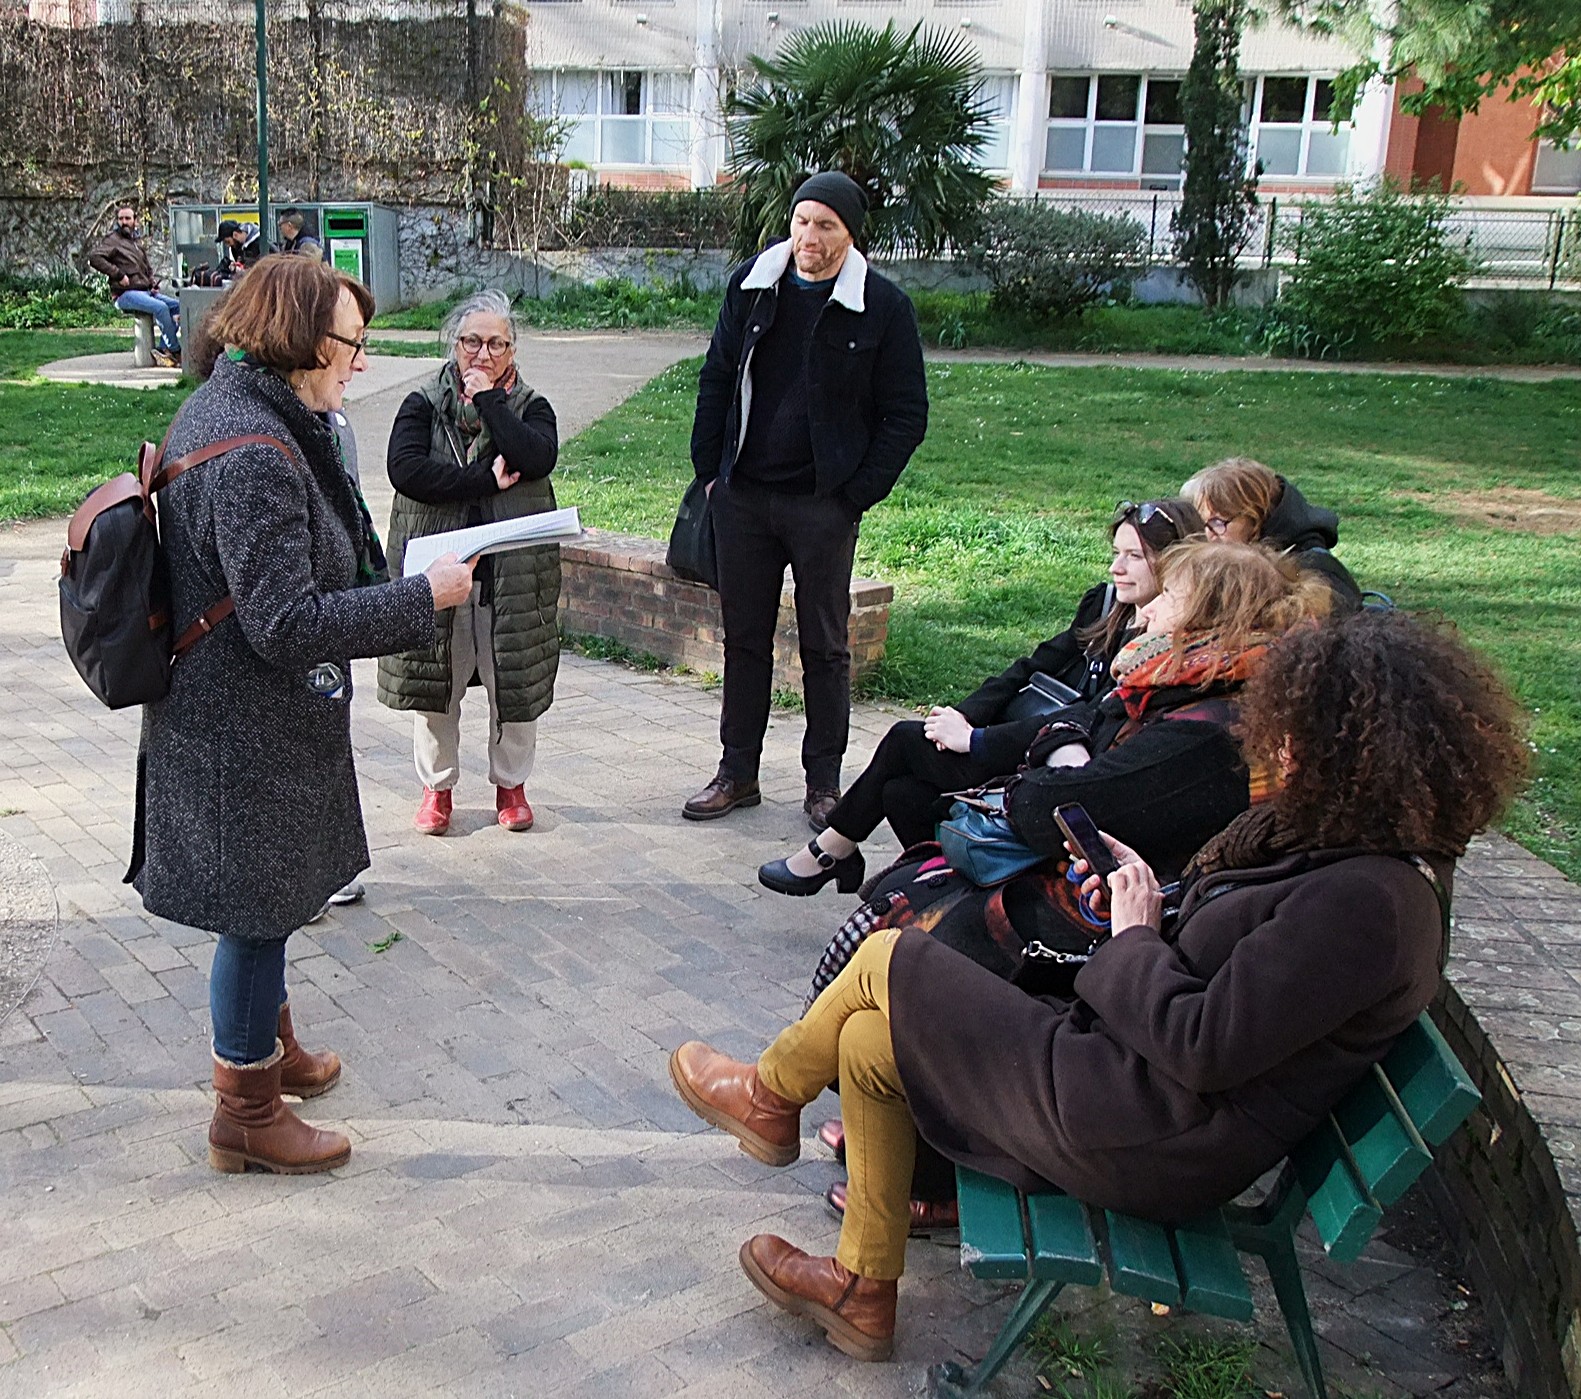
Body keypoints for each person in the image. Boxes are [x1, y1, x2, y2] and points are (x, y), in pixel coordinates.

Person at [669, 607, 1528, 1362]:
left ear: (1361, 757)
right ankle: (860, 1287)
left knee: (896, 959)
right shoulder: (1341, 855)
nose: (1276, 745)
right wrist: (1142, 900)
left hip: (1146, 1133)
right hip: (1129, 1086)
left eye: (1297, 731)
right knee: (866, 1039)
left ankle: (769, 1093)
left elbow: (1201, 1043)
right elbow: (1220, 974)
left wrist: (1131, 937)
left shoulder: (1369, 904)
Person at [128, 254, 476, 1175]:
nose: (359, 364)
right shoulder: (251, 451)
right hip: (240, 725)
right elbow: (283, 623)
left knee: (274, 896)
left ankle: (268, 1050)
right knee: (254, 907)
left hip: (248, 719)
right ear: (299, 339)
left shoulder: (245, 406)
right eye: (352, 346)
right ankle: (243, 1105)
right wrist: (420, 597)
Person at [758, 498, 1203, 894]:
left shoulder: (1162, 646)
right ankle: (932, 882)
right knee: (901, 792)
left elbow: (1088, 717)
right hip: (1024, 744)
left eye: (1133, 557)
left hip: (1054, 770)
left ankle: (833, 852)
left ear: (1173, 565)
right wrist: (960, 718)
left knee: (902, 741)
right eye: (1115, 554)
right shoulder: (1105, 606)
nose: (1116, 567)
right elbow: (1030, 667)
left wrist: (975, 741)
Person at [683, 171, 929, 831]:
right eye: (801, 221)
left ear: (849, 235)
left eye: (825, 226)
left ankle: (824, 784)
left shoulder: (881, 307)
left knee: (824, 645)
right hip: (744, 499)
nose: (808, 237)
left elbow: (906, 415)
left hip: (822, 505)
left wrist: (854, 494)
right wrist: (710, 470)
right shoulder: (751, 286)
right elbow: (715, 375)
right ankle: (736, 771)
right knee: (744, 641)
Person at [377, 289, 560, 836]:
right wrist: (480, 481)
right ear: (453, 345)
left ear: (512, 349)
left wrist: (490, 403)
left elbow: (534, 456)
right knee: (437, 684)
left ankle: (512, 786)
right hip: (440, 573)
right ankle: (437, 791)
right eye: (472, 341)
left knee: (516, 686)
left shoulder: (531, 407)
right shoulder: (421, 404)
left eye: (496, 344)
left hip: (511, 579)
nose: (483, 354)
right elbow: (406, 472)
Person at [1182, 457, 1362, 612]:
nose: (1208, 534)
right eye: (1204, 522)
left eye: (1218, 522)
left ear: (1256, 519)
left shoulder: (1313, 573)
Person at [87, 205, 181, 365]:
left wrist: (152, 283)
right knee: (161, 308)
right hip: (125, 294)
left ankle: (164, 349)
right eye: (121, 219)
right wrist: (118, 274)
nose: (124, 222)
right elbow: (95, 258)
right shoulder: (113, 240)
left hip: (145, 290)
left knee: (178, 305)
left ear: (135, 221)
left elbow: (147, 267)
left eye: (127, 218)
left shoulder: (136, 241)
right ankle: (174, 350)